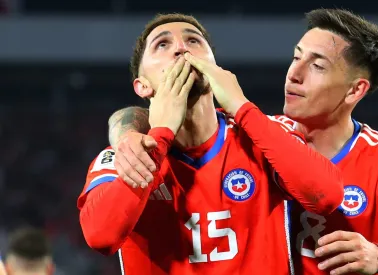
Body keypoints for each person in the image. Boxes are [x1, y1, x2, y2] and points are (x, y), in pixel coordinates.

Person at [111, 9, 378, 275]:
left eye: (317, 66)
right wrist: (127, 132)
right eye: (296, 56)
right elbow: (156, 110)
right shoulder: (262, 134)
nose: (293, 74)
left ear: (355, 89)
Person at [78, 13, 345, 275]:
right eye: (162, 44)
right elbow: (101, 237)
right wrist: (160, 135)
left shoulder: (263, 137)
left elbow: (327, 196)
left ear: (217, 68)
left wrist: (242, 107)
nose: (182, 48)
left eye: (194, 41)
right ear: (143, 86)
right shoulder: (125, 154)